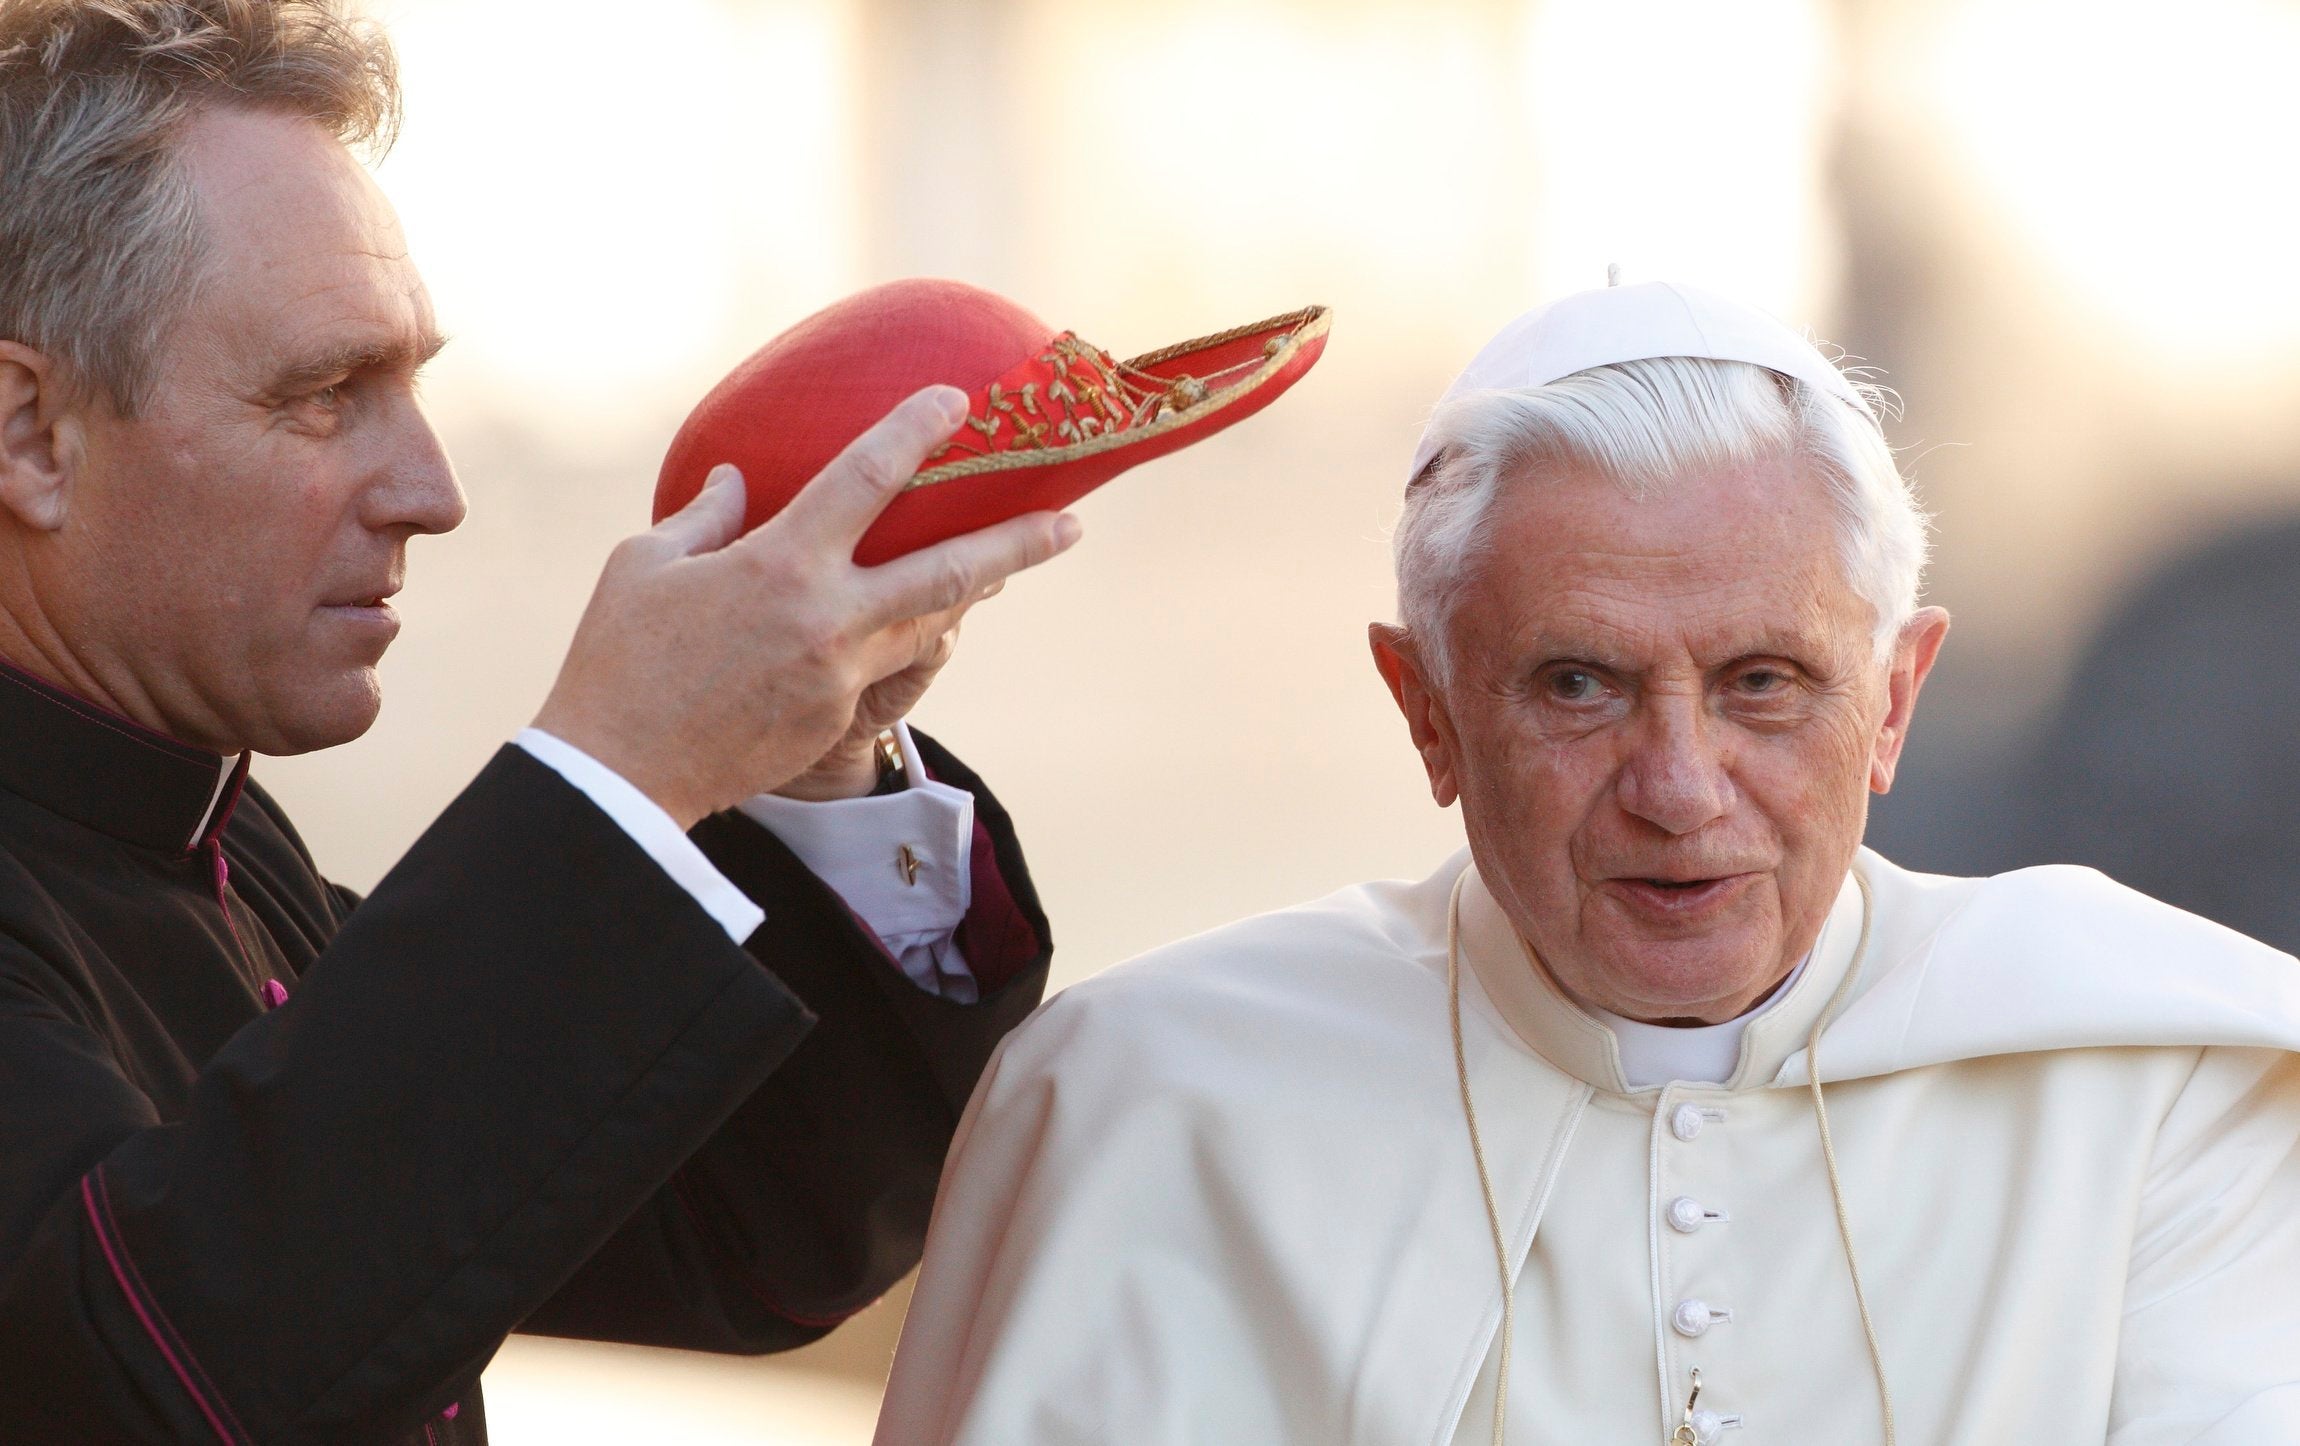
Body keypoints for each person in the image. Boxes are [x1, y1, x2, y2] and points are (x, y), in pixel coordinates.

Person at [877, 281, 2300, 1444]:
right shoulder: (1154, 1103)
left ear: (1896, 700)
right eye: (1576, 684)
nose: (1678, 790)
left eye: (1763, 682)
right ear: (1426, 710)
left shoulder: (2158, 1077)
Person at [0, 2, 1078, 1441]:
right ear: (29, 435)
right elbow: (155, 1368)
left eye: (413, 386)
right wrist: (623, 769)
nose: (431, 489)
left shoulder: (212, 836)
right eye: (327, 395)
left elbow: (737, 1236)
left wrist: (817, 765)